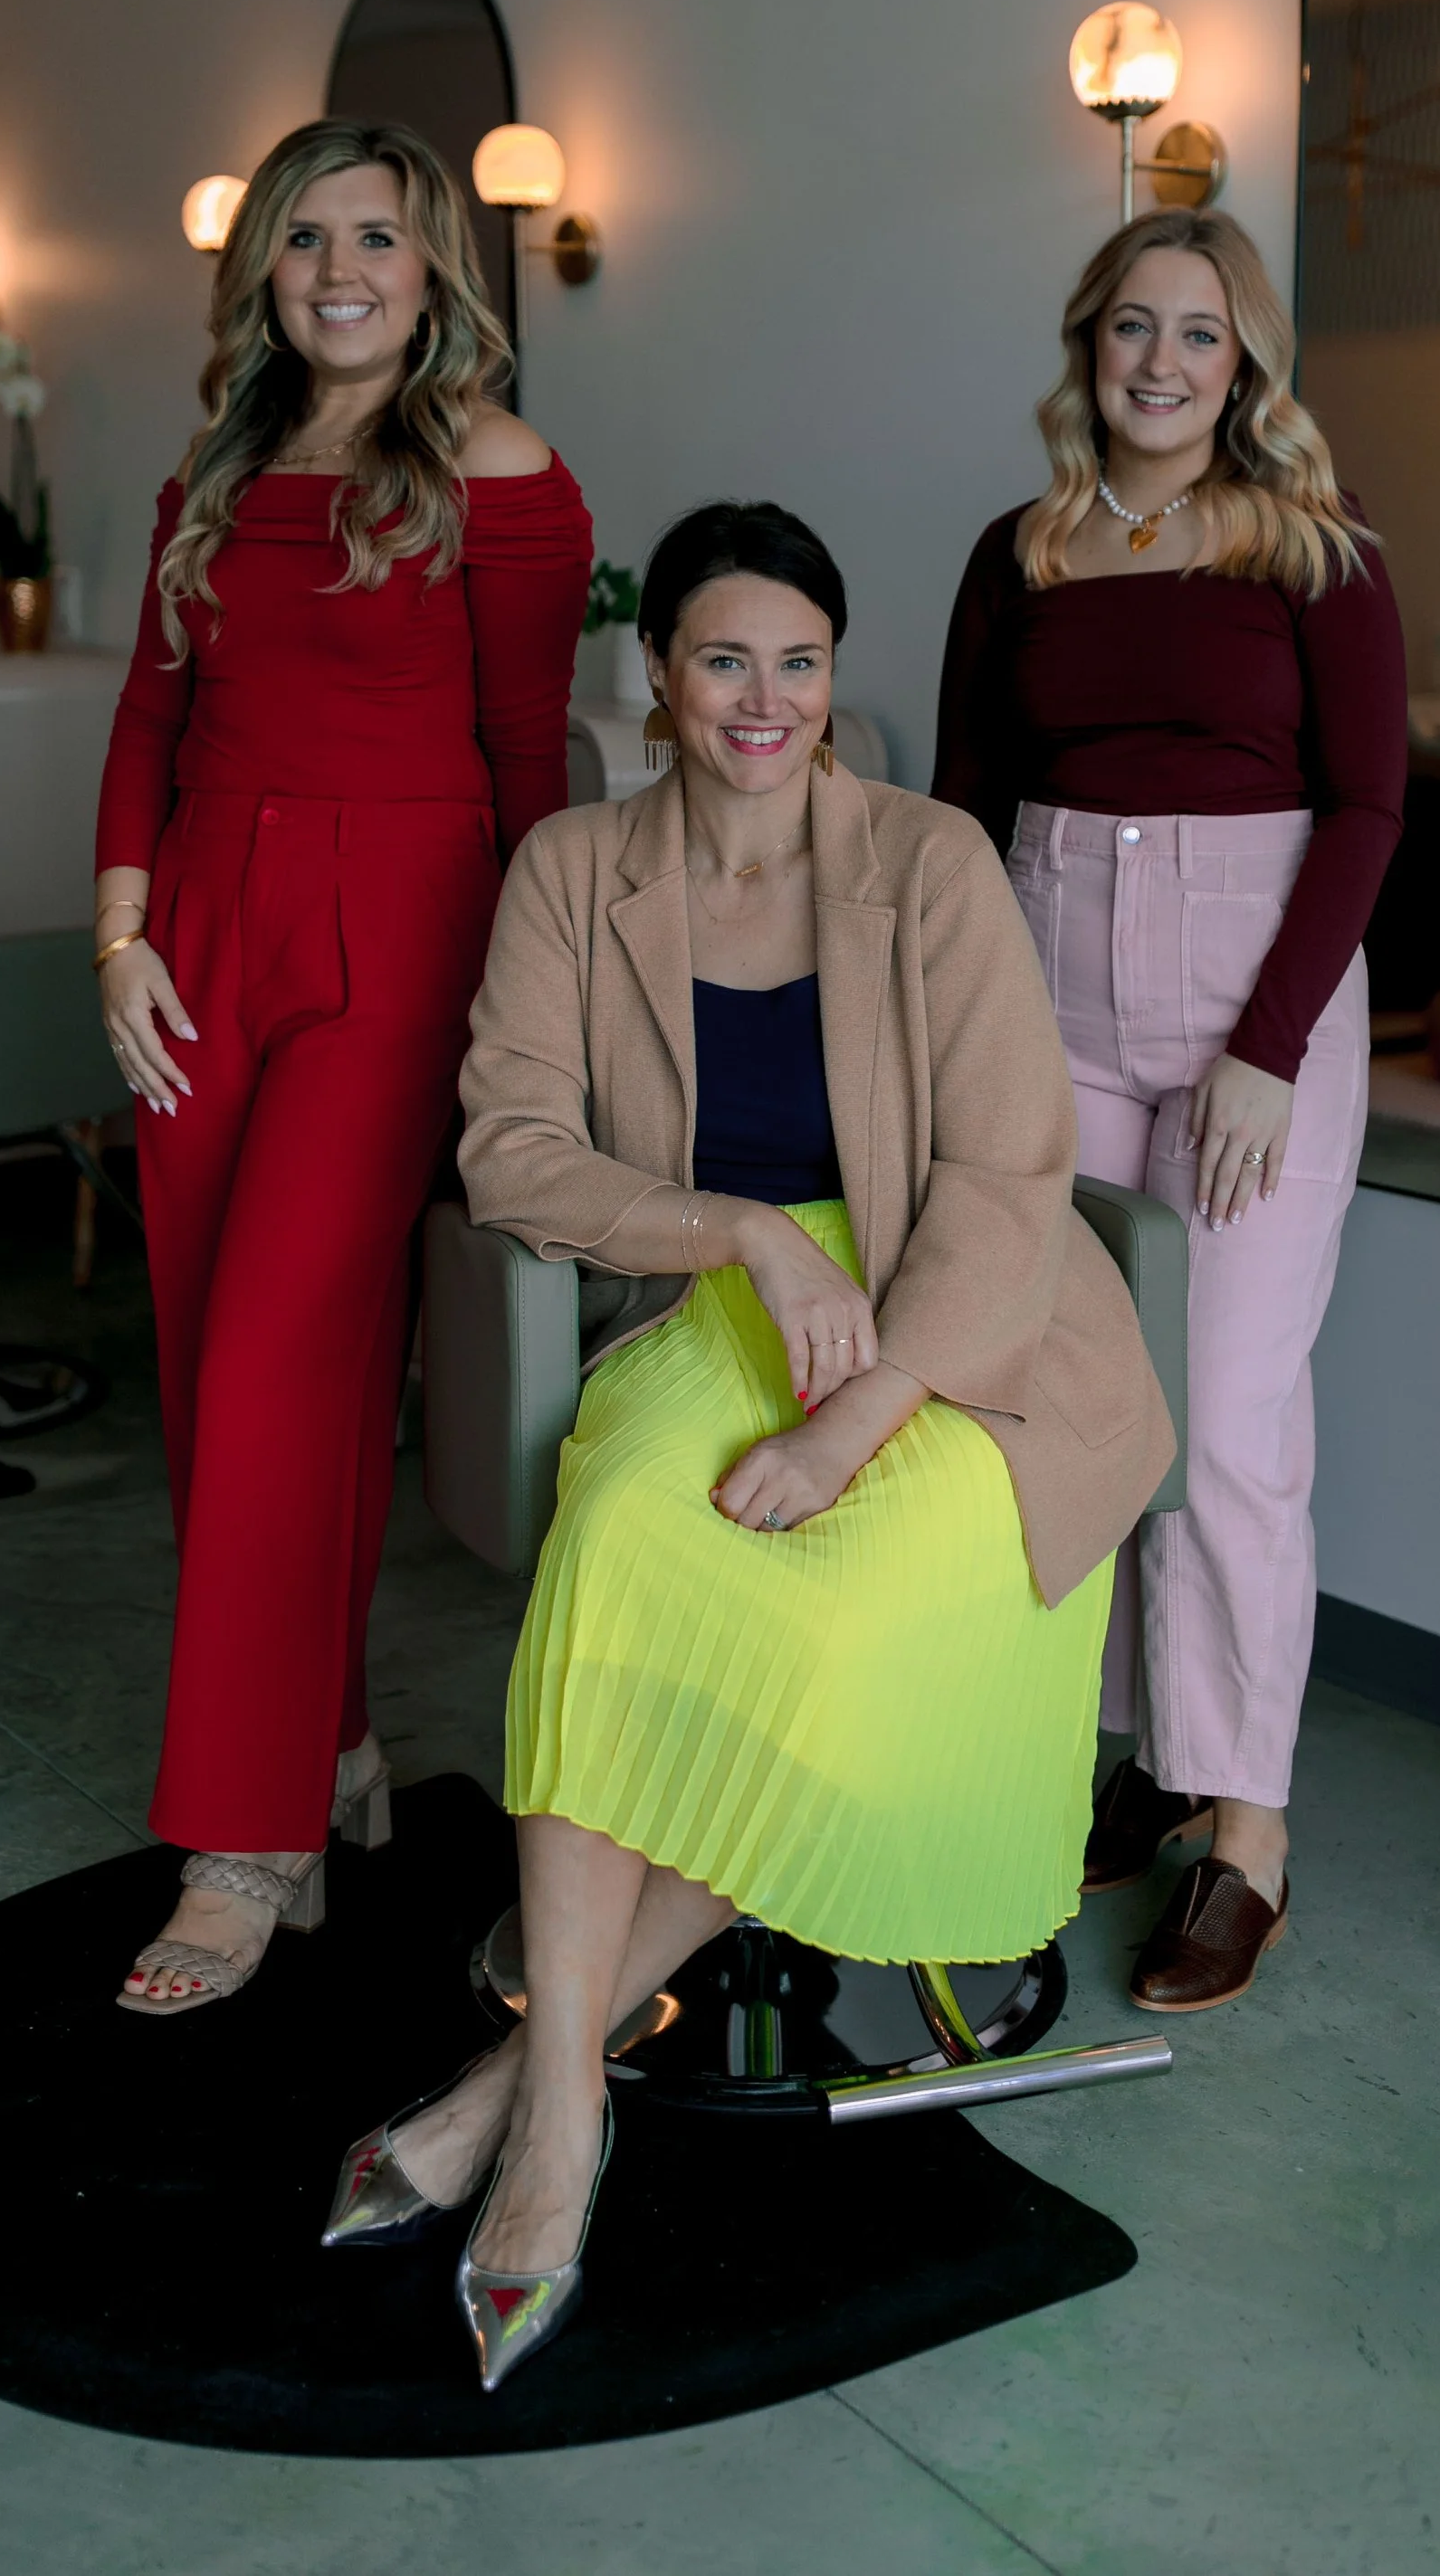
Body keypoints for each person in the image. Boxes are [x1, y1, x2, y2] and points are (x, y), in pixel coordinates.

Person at [323, 499, 1171, 2389]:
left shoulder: (929, 862)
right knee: (625, 1542)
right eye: (723, 659)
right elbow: (512, 1149)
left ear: (830, 678)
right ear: (660, 679)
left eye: (797, 661)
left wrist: (868, 1406)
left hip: (964, 1326)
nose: (762, 698)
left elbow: (1011, 1174)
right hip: (701, 1303)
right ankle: (561, 2110)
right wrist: (741, 1233)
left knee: (836, 1605)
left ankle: (514, 2107)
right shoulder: (571, 870)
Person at [92, 118, 591, 2013]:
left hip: (401, 943)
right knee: (219, 1381)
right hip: (201, 938)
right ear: (261, 277)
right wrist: (122, 937)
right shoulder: (211, 476)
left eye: (373, 234)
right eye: (302, 239)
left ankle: (246, 1849)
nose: (338, 269)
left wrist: (530, 1024)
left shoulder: (503, 473)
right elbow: (147, 714)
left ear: (430, 262)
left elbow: (532, 764)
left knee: (291, 1361)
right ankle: (329, 1748)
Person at [932, 206, 1405, 2017]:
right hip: (1046, 996)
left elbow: (1363, 810)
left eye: (1196, 335)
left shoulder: (1314, 552)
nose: (1158, 362)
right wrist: (951, 1035)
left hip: (1246, 1012)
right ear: (1088, 347)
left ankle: (1246, 1832)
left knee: (1218, 1426)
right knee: (1067, 1402)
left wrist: (1265, 1047)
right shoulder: (1021, 550)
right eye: (1131, 327)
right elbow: (970, 804)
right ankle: (1130, 1757)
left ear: (1243, 363)